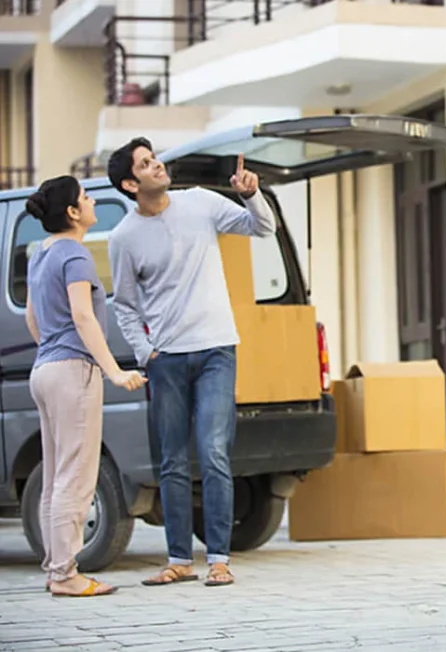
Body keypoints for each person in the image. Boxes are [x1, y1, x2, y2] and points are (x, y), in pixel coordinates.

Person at [106, 137, 276, 587]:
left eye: (154, 157)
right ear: (130, 182)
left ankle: (218, 559)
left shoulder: (200, 203)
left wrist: (250, 193)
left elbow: (262, 228)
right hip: (167, 360)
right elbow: (123, 303)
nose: (157, 165)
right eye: (145, 163)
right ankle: (180, 559)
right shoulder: (124, 238)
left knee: (214, 451)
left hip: (218, 348)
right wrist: (145, 353)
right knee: (173, 462)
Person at [24, 175, 147, 598]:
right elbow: (83, 316)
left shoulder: (40, 255)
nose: (92, 202)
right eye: (86, 198)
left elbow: (33, 319)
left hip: (44, 371)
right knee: (75, 477)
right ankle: (65, 574)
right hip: (72, 371)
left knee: (58, 473)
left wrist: (53, 351)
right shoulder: (75, 255)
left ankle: (55, 568)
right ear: (73, 213)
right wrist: (113, 370)